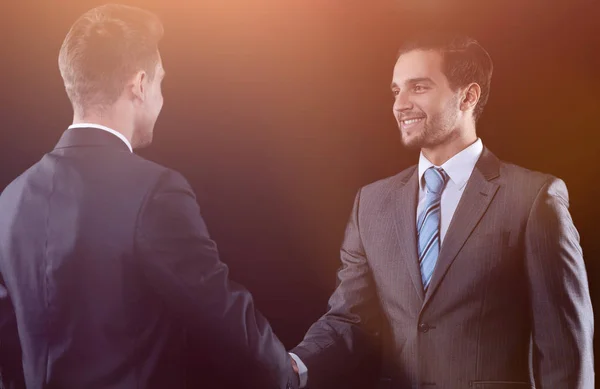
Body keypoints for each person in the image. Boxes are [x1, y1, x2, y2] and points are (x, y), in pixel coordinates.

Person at [0, 4, 298, 389]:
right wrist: (284, 370)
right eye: (160, 82)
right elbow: (218, 310)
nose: (161, 98)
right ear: (139, 85)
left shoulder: (9, 201)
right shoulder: (155, 191)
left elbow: (6, 345)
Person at [289, 33, 594, 389]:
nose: (400, 104)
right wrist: (294, 365)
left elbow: (564, 351)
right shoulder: (370, 204)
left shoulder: (534, 199)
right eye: (395, 91)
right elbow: (350, 319)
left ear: (468, 95)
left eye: (418, 88)